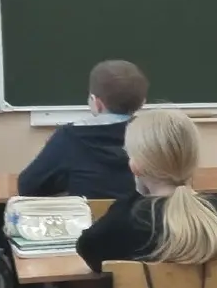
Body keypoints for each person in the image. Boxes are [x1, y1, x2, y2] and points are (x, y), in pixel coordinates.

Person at [74, 109, 217, 267]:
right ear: (193, 161)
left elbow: (88, 250)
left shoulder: (124, 220)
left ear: (135, 167)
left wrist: (134, 198)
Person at [17, 59, 147, 200]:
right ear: (142, 103)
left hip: (90, 214)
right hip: (143, 214)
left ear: (96, 102)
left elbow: (27, 186)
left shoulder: (70, 137)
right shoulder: (151, 134)